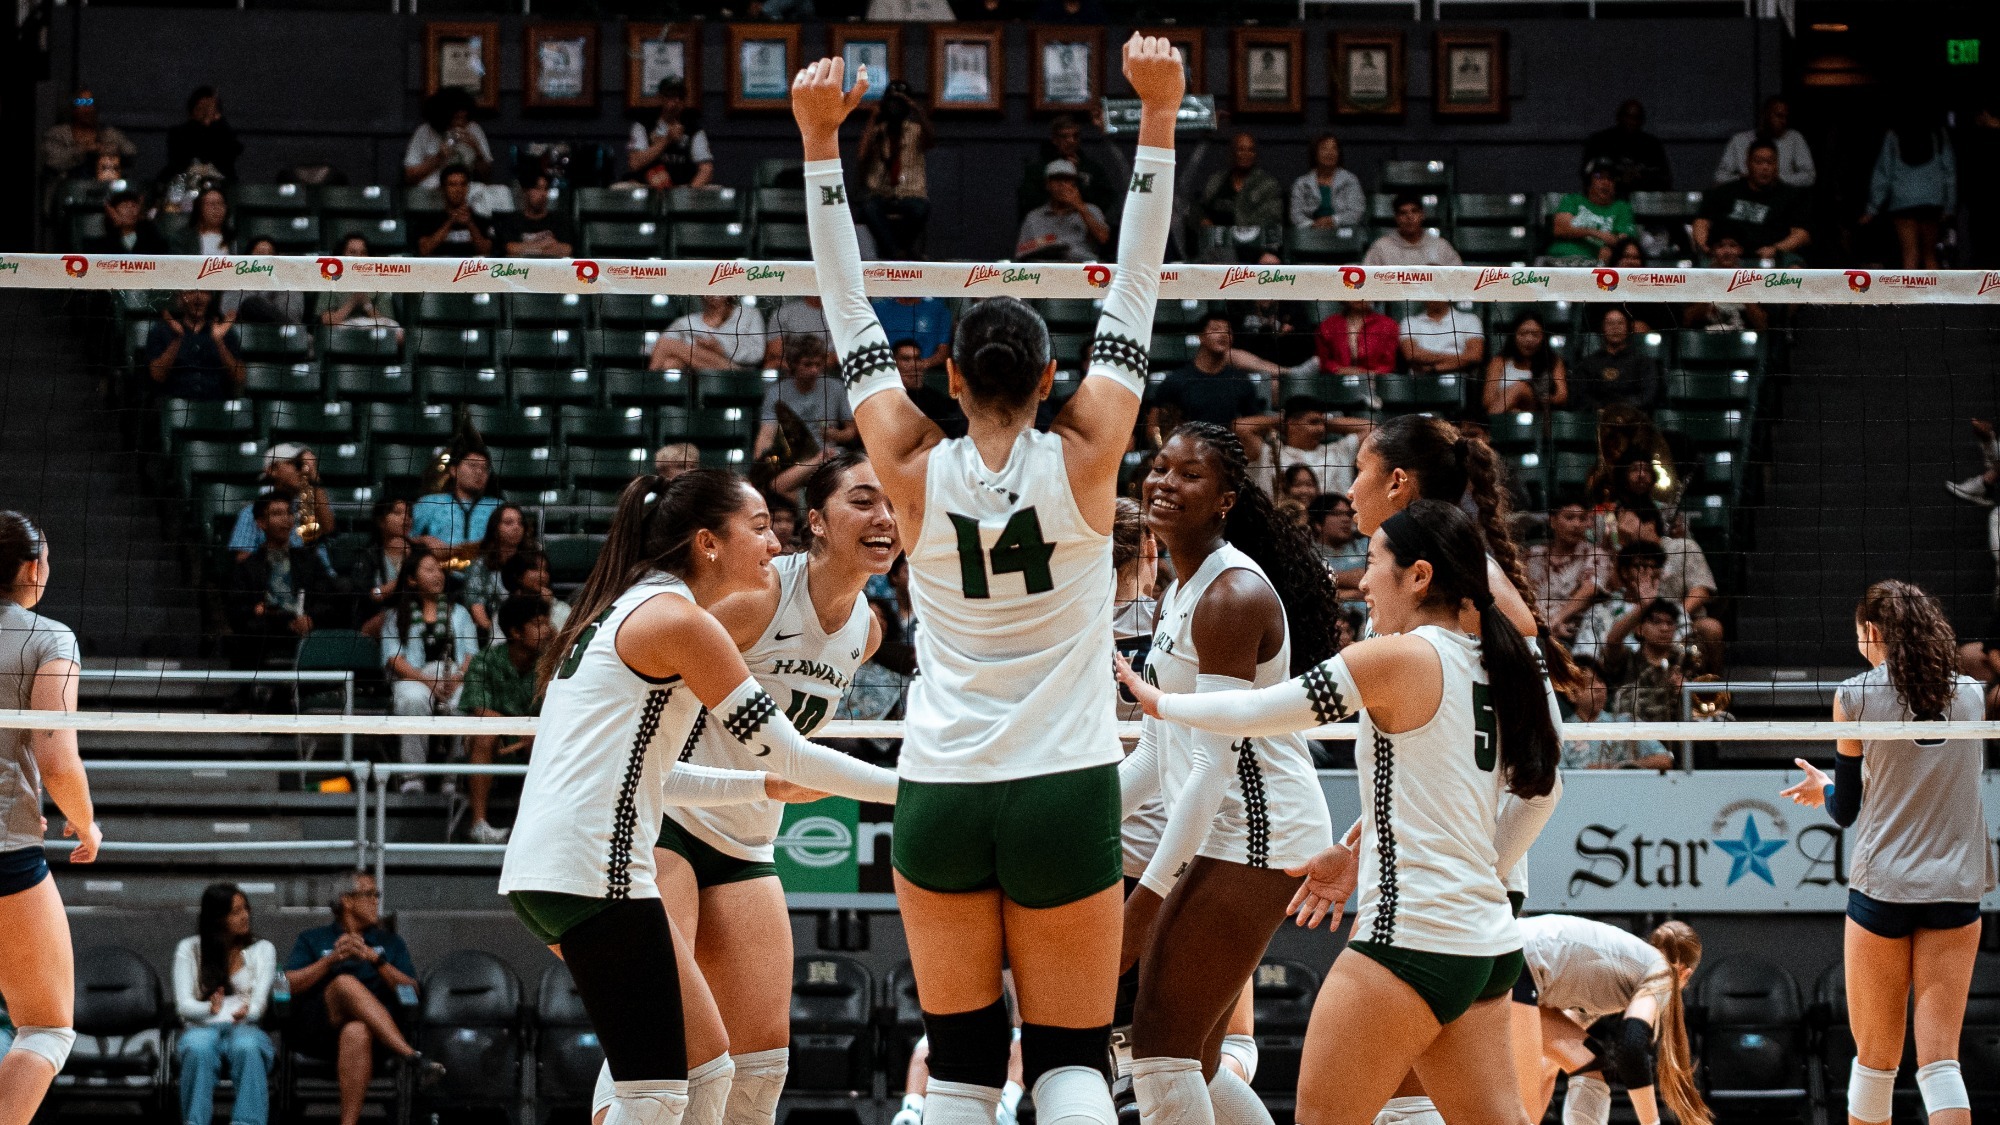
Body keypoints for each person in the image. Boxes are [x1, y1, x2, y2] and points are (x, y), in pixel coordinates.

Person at [794, 35, 1181, 1125]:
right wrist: (1154, 121)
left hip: (941, 789)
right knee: (1068, 1058)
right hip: (1063, 784)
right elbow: (1134, 291)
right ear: (1053, 379)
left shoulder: (907, 466)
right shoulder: (1091, 450)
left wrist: (821, 145)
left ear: (949, 376)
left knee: (960, 1062)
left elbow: (847, 310)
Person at [1118, 499, 1561, 1125]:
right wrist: (1452, 868)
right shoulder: (1494, 662)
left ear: (1419, 575)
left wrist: (1160, 702)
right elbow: (1540, 793)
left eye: (1374, 563)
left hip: (1409, 940)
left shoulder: (1395, 657)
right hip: (1487, 942)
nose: (1361, 579)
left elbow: (1260, 711)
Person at [499, 469, 895, 1125]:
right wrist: (920, 788)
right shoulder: (684, 619)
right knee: (662, 1084)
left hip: (570, 864)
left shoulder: (636, 606)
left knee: (711, 1071)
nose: (775, 544)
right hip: (611, 864)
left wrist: (761, 785)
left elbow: (654, 768)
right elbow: (790, 752)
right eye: (761, 527)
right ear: (709, 543)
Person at [657, 454, 904, 1125]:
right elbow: (653, 696)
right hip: (668, 818)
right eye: (862, 500)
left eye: (891, 503)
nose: (883, 516)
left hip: (749, 838)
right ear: (817, 522)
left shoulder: (869, 631)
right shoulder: (756, 598)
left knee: (760, 1069)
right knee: (657, 1053)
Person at [1113, 424, 1339, 1125]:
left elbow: (1209, 768)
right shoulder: (1177, 592)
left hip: (1262, 834)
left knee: (1156, 1048)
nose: (1164, 483)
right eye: (1158, 467)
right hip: (1226, 828)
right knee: (1191, 1059)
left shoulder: (1231, 595)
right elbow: (1155, 756)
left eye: (1189, 475)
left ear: (1226, 500)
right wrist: (1074, 813)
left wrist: (1147, 896)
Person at [1781, 581, 1994, 1125]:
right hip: (1955, 887)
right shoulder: (1970, 693)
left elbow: (1846, 809)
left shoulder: (1855, 695)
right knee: (1942, 1063)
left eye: (1860, 636)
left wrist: (1822, 790)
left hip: (1885, 887)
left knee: (1875, 1065)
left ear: (1872, 633)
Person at [0, 512, 100, 1125]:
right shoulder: (49, 638)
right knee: (45, 1026)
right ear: (34, 567)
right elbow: (55, 751)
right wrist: (85, 823)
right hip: (6, 851)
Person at [282, 873, 442, 1125]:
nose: (376, 901)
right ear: (347, 900)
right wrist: (331, 960)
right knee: (345, 983)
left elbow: (412, 990)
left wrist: (375, 960)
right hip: (320, 1031)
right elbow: (287, 983)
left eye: (376, 894)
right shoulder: (313, 938)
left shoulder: (390, 943)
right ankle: (411, 1056)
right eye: (370, 894)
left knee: (357, 1029)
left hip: (376, 1038)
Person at [1512, 917, 1706, 1125]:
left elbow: (1552, 1061)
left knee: (1590, 1066)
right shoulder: (1662, 973)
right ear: (1685, 974)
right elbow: (1632, 1045)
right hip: (1519, 961)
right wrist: (1651, 1121)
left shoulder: (1618, 970)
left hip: (1511, 951)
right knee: (1519, 1116)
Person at [174, 884, 276, 1125]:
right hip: (201, 1027)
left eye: (246, 909)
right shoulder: (189, 949)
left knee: (247, 1045)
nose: (245, 916)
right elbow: (184, 1006)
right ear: (217, 918)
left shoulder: (263, 949)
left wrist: (247, 1012)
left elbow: (258, 1004)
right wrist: (209, 1009)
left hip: (245, 1027)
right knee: (199, 1047)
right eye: (236, 912)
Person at [460, 595, 554, 845]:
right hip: (498, 740)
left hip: (537, 740)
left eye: (547, 623)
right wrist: (516, 728)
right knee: (484, 734)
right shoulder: (485, 660)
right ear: (516, 632)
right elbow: (478, 708)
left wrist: (535, 731)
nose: (547, 631)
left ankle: (540, 828)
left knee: (543, 739)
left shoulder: (552, 665)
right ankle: (478, 824)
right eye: (538, 624)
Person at [380, 551, 478, 783]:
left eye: (439, 569)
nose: (438, 575)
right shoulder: (397, 616)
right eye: (429, 570)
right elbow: (393, 658)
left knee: (464, 701)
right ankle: (412, 777)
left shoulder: (459, 612)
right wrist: (427, 682)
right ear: (412, 579)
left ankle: (453, 778)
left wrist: (458, 678)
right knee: (413, 700)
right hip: (414, 677)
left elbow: (471, 653)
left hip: (453, 675)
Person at [227, 493, 336, 671]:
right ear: (261, 523)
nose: (286, 519)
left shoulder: (310, 561)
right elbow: (235, 609)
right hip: (267, 630)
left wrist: (311, 619)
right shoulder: (247, 566)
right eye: (277, 514)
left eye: (289, 513)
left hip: (305, 627)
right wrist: (256, 609)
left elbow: (328, 599)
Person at [1861, 110, 1957, 270]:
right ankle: (1934, 294)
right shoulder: (1938, 135)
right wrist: (1949, 206)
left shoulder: (1893, 135)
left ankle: (1910, 294)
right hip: (1931, 201)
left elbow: (1884, 173)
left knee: (1909, 255)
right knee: (1930, 255)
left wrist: (1872, 208)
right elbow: (1950, 173)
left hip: (1902, 201)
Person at [1148, 315, 1265, 442]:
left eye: (1228, 331)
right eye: (1215, 329)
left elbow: (1252, 424)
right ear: (1201, 336)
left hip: (1228, 453)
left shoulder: (1240, 381)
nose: (1223, 335)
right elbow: (1153, 427)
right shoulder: (1176, 381)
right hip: (1187, 451)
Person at [1692, 141, 1808, 263]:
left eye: (1770, 162)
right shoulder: (1724, 192)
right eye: (1758, 162)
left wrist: (1776, 249)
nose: (1765, 167)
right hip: (1727, 259)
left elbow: (1802, 234)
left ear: (1777, 164)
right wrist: (1705, 247)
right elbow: (1702, 221)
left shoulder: (1792, 195)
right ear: (1747, 164)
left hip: (1772, 259)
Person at [856, 81, 934, 260]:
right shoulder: (877, 132)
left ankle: (896, 251)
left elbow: (931, 141)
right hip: (880, 193)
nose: (895, 108)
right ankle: (899, 253)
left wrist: (917, 109)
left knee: (920, 209)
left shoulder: (915, 130)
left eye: (900, 103)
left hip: (910, 192)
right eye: (892, 103)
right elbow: (861, 155)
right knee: (868, 208)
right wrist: (873, 118)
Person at [1557, 656, 1672, 771]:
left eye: (1601, 681)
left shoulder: (1625, 722)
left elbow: (1664, 759)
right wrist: (1588, 772)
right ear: (1571, 694)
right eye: (1589, 683)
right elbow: (1559, 777)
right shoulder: (1562, 732)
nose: (1599, 687)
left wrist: (1621, 767)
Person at [754, 334, 856, 462]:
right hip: (793, 460)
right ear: (794, 364)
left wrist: (835, 435)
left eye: (818, 364)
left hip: (828, 457)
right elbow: (766, 435)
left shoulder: (836, 387)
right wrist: (761, 462)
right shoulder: (776, 392)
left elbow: (851, 431)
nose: (814, 370)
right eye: (807, 365)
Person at [228, 443, 335, 564]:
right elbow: (243, 560)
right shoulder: (251, 513)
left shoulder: (313, 505)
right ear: (273, 470)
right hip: (274, 578)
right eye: (295, 464)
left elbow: (328, 529)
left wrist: (314, 476)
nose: (302, 470)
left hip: (319, 578)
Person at [1523, 497, 1609, 645]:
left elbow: (1590, 588)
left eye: (1582, 519)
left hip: (1571, 633)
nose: (1576, 524)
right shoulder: (1532, 554)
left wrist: (1555, 621)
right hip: (1530, 627)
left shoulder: (1595, 555)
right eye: (1569, 518)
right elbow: (1520, 591)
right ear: (1553, 521)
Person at [1250, 397, 1366, 501]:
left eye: (1323, 424)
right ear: (1291, 424)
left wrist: (1328, 422)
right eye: (1314, 422)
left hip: (1331, 522)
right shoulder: (1268, 453)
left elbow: (1371, 429)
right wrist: (1281, 421)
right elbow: (1241, 428)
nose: (1321, 429)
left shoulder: (1338, 451)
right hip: (1279, 521)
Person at [146, 290, 244, 402]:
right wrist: (177, 339)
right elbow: (157, 376)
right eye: (192, 292)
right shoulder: (162, 330)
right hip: (174, 407)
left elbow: (239, 378)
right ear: (181, 297)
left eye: (204, 292)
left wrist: (219, 342)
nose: (198, 298)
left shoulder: (223, 332)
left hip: (215, 407)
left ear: (211, 297)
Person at [1017, 115, 1116, 220]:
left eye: (1075, 136)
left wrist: (1077, 178)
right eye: (1064, 137)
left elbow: (1106, 201)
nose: (1071, 141)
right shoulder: (1038, 169)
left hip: (1084, 223)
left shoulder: (1092, 168)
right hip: (1048, 223)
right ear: (1055, 139)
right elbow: (1028, 202)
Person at [410, 446, 500, 561]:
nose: (479, 472)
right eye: (472, 465)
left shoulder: (498, 507)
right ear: (453, 470)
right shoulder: (429, 503)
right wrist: (422, 541)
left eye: (485, 468)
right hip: (438, 572)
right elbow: (403, 539)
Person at [1570, 307, 1662, 415]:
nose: (1615, 328)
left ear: (1628, 328)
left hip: (1633, 420)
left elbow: (1648, 396)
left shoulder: (1643, 362)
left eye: (1620, 323)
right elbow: (1580, 396)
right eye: (1610, 323)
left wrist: (1620, 410)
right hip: (1596, 420)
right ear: (1602, 328)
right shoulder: (1588, 363)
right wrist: (1600, 410)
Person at [627, 77, 714, 190]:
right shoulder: (643, 126)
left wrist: (690, 191)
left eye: (680, 97)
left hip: (682, 188)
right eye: (671, 96)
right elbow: (634, 163)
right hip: (646, 188)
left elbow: (706, 169)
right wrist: (666, 140)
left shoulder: (694, 130)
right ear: (660, 98)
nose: (676, 101)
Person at [1016, 160, 1110, 262]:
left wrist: (1080, 207)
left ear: (1075, 185)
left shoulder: (1091, 210)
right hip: (1045, 269)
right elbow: (1021, 253)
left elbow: (1103, 239)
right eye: (1057, 180)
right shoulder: (1034, 217)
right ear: (1048, 184)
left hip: (1081, 269)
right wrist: (1046, 244)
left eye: (1067, 180)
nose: (1062, 185)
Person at [462, 504, 531, 639]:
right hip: (493, 633)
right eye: (509, 522)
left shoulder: (533, 561)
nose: (516, 527)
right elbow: (477, 608)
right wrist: (498, 636)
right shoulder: (480, 565)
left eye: (520, 523)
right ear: (495, 529)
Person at [1714, 95, 1815, 188]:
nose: (1783, 121)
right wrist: (1745, 179)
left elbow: (1809, 176)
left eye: (1785, 117)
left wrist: (1779, 180)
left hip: (1780, 198)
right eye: (1779, 116)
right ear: (1765, 115)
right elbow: (1720, 177)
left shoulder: (1794, 138)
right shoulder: (1740, 140)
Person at [1545, 162, 1636, 264]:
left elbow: (1624, 240)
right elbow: (1560, 228)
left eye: (1610, 178)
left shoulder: (1621, 207)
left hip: (1594, 265)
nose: (1605, 182)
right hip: (1561, 260)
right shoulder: (1573, 200)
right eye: (1599, 177)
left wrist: (1611, 248)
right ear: (1588, 182)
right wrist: (1597, 234)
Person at [1197, 133, 1284, 238]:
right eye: (1241, 149)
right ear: (1233, 152)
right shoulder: (1216, 181)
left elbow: (1274, 221)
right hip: (1218, 246)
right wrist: (1203, 220)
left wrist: (1269, 251)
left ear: (1255, 155)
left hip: (1254, 246)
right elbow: (1199, 209)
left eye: (1250, 150)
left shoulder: (1268, 185)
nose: (1246, 154)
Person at [653, 295, 769, 373]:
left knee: (666, 343)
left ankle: (644, 392)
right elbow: (651, 349)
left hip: (737, 373)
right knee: (670, 363)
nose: (713, 295)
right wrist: (697, 350)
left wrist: (721, 349)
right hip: (699, 373)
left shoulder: (749, 315)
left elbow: (757, 355)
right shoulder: (685, 322)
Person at [41, 87, 136, 182]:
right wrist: (83, 150)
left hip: (103, 188)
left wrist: (108, 149)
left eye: (90, 102)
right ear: (72, 108)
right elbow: (52, 161)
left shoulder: (108, 134)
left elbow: (131, 152)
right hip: (67, 187)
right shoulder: (58, 134)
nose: (86, 108)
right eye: (81, 102)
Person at [404, 88, 492, 190]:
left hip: (462, 195)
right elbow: (409, 176)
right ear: (444, 117)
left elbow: (487, 176)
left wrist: (478, 152)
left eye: (464, 118)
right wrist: (438, 158)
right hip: (429, 193)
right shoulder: (425, 131)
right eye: (457, 118)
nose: (461, 123)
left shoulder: (473, 129)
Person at [1679, 234, 1769, 333]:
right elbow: (1687, 322)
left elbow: (1762, 325)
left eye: (1733, 246)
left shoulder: (1753, 279)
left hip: (1741, 337)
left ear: (1740, 250)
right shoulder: (1698, 278)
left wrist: (1744, 290)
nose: (1727, 251)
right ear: (1712, 250)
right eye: (1720, 246)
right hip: (1706, 337)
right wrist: (1709, 290)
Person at [1482, 314, 1567, 417]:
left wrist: (1546, 398)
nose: (1529, 339)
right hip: (1505, 414)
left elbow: (1562, 395)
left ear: (1543, 337)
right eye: (1523, 334)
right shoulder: (1499, 361)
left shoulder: (1553, 361)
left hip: (1538, 411)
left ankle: (1486, 425)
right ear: (1513, 335)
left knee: (1520, 387)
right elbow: (1487, 400)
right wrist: (1511, 405)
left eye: (1535, 335)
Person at [349, 497, 412, 637]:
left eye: (408, 514)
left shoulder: (418, 553)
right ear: (380, 521)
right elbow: (371, 595)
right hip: (375, 618)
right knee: (391, 618)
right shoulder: (367, 556)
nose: (405, 518)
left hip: (413, 614)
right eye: (397, 513)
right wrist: (401, 583)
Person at [1580, 100, 1672, 193]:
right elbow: (1587, 173)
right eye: (1628, 117)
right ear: (1619, 117)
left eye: (1636, 118)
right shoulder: (1600, 141)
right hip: (1608, 199)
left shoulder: (1652, 145)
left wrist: (1641, 177)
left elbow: (1664, 178)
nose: (1631, 122)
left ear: (1642, 121)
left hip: (1643, 198)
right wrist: (1617, 178)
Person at [317, 236, 401, 334]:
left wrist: (366, 304)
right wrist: (353, 302)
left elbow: (387, 323)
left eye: (363, 253)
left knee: (399, 333)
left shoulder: (379, 283)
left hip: (374, 331)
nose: (359, 257)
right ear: (342, 255)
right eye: (352, 252)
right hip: (341, 332)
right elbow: (326, 321)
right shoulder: (331, 281)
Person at [164, 86, 243, 183]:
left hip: (218, 185)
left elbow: (230, 153)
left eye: (209, 109)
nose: (205, 113)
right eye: (201, 108)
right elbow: (180, 160)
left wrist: (216, 122)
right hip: (186, 184)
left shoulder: (223, 133)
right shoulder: (178, 133)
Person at [1288, 134, 1365, 231]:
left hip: (1342, 232)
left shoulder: (1350, 180)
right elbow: (1295, 215)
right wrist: (1313, 224)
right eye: (1324, 149)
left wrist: (1332, 220)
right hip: (1309, 233)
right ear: (1315, 154)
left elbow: (1356, 212)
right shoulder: (1301, 183)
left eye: (1334, 149)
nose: (1329, 153)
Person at [1363, 194, 1462, 268]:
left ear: (1422, 215)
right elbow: (1367, 281)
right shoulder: (1381, 247)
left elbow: (1459, 279)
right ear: (1396, 218)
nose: (1409, 217)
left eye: (1414, 211)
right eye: (1403, 213)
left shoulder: (1441, 246)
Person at [416, 166, 495, 258]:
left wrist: (470, 223)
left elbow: (486, 252)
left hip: (472, 269)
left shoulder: (481, 220)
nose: (458, 190)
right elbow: (424, 250)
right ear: (443, 188)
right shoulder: (428, 221)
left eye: (463, 184)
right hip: (440, 268)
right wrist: (451, 221)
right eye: (452, 184)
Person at [498, 171, 576, 258]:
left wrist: (528, 248)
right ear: (526, 192)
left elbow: (567, 249)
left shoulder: (559, 219)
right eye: (537, 188)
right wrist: (544, 244)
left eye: (545, 189)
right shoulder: (513, 220)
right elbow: (511, 248)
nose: (542, 194)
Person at [1398, 301, 1485, 379]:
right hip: (1420, 382)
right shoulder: (1410, 322)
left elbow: (1474, 356)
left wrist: (1434, 368)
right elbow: (1411, 354)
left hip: (1460, 381)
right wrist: (1460, 358)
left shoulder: (1470, 320)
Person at [895, 339, 964, 437]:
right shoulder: (885, 399)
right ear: (894, 364)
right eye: (906, 359)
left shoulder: (939, 402)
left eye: (917, 358)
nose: (914, 365)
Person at [870, 297, 952, 374]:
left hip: (927, 374)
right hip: (887, 373)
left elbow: (943, 352)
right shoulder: (878, 309)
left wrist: (917, 366)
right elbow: (870, 347)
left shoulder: (938, 309)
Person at [499, 547, 570, 632]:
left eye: (545, 570)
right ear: (518, 575)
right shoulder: (506, 609)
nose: (543, 575)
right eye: (534, 569)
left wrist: (546, 608)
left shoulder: (562, 609)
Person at [85, 189, 169, 254]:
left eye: (133, 206)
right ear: (112, 212)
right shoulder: (99, 246)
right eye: (124, 206)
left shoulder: (154, 242)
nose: (130, 211)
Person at [171, 186, 234, 256]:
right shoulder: (183, 238)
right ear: (200, 208)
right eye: (211, 204)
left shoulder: (235, 239)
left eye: (220, 203)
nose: (216, 208)